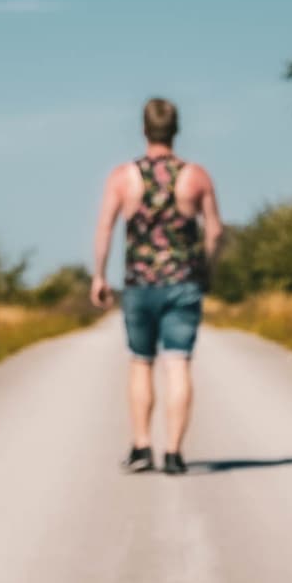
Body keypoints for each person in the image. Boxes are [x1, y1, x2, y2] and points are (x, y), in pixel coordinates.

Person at [89, 98, 223, 475]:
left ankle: (142, 446)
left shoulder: (123, 177)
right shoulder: (196, 176)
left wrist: (99, 275)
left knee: (141, 364)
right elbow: (214, 231)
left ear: (144, 129)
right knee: (178, 363)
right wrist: (206, 269)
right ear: (176, 129)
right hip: (183, 283)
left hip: (139, 285)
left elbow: (105, 227)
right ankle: (175, 453)